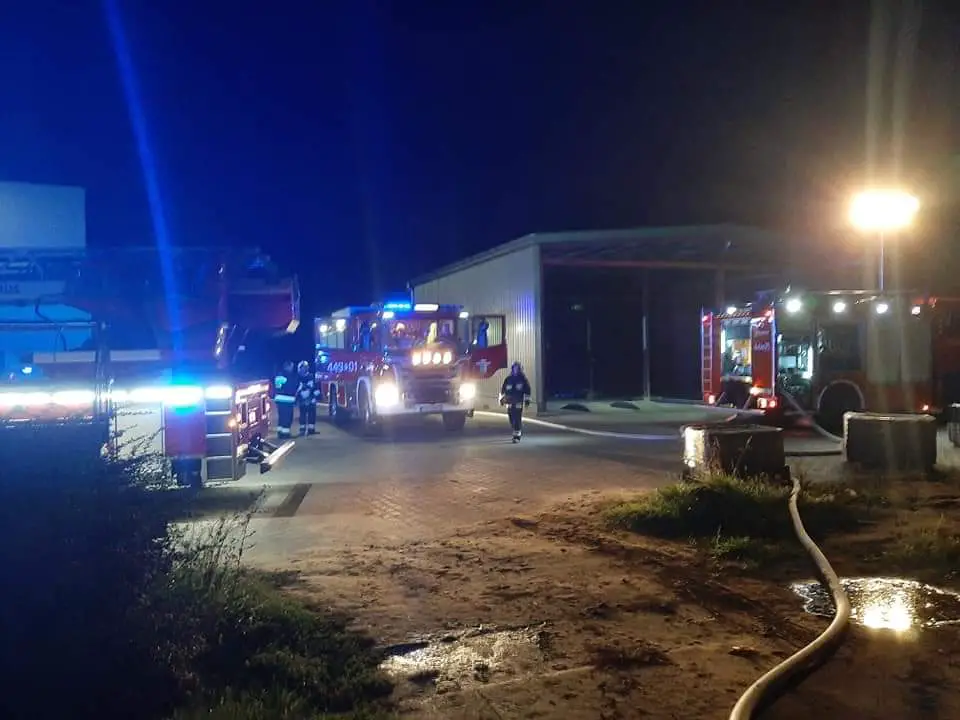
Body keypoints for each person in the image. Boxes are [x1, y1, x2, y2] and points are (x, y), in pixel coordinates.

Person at [499, 361, 531, 443]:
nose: (515, 370)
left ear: (520, 369)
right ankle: (516, 429)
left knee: (517, 418)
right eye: (514, 368)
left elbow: (527, 390)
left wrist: (527, 400)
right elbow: (503, 390)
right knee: (511, 419)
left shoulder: (523, 380)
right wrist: (501, 399)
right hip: (509, 402)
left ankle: (517, 436)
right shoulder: (508, 379)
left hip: (518, 402)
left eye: (517, 368)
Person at [273, 360, 297, 439]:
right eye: (291, 367)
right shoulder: (288, 376)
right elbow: (291, 387)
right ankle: (285, 434)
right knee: (288, 417)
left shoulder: (279, 375)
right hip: (287, 399)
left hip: (279, 399)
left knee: (281, 417)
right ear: (288, 367)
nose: (292, 368)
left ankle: (280, 432)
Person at [295, 360, 319, 435]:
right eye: (302, 368)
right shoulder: (297, 377)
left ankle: (311, 429)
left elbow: (316, 387)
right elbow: (296, 388)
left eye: (304, 367)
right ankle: (302, 430)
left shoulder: (311, 376)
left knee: (312, 414)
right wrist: (298, 398)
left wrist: (314, 397)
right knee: (302, 414)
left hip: (311, 398)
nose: (303, 369)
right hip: (302, 399)